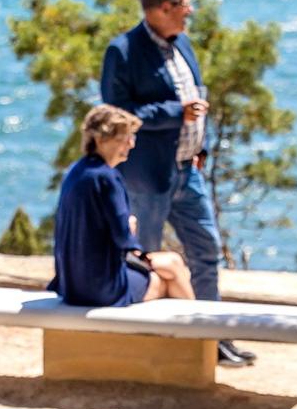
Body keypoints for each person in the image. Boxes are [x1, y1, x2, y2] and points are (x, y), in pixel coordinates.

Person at [99, 0, 251, 367]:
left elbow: (193, 98)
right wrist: (175, 113)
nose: (191, 10)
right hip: (150, 177)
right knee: (143, 261)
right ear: (165, 7)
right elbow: (118, 114)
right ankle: (147, 346)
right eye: (186, 3)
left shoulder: (182, 43)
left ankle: (213, 339)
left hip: (190, 171)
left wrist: (200, 144)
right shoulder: (124, 51)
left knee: (206, 253)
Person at [50, 104, 196, 307]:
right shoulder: (107, 178)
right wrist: (131, 227)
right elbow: (123, 238)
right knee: (171, 272)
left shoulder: (75, 172)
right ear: (101, 139)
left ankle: (196, 335)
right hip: (102, 288)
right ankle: (198, 334)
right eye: (125, 138)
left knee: (172, 264)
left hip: (70, 285)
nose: (132, 144)